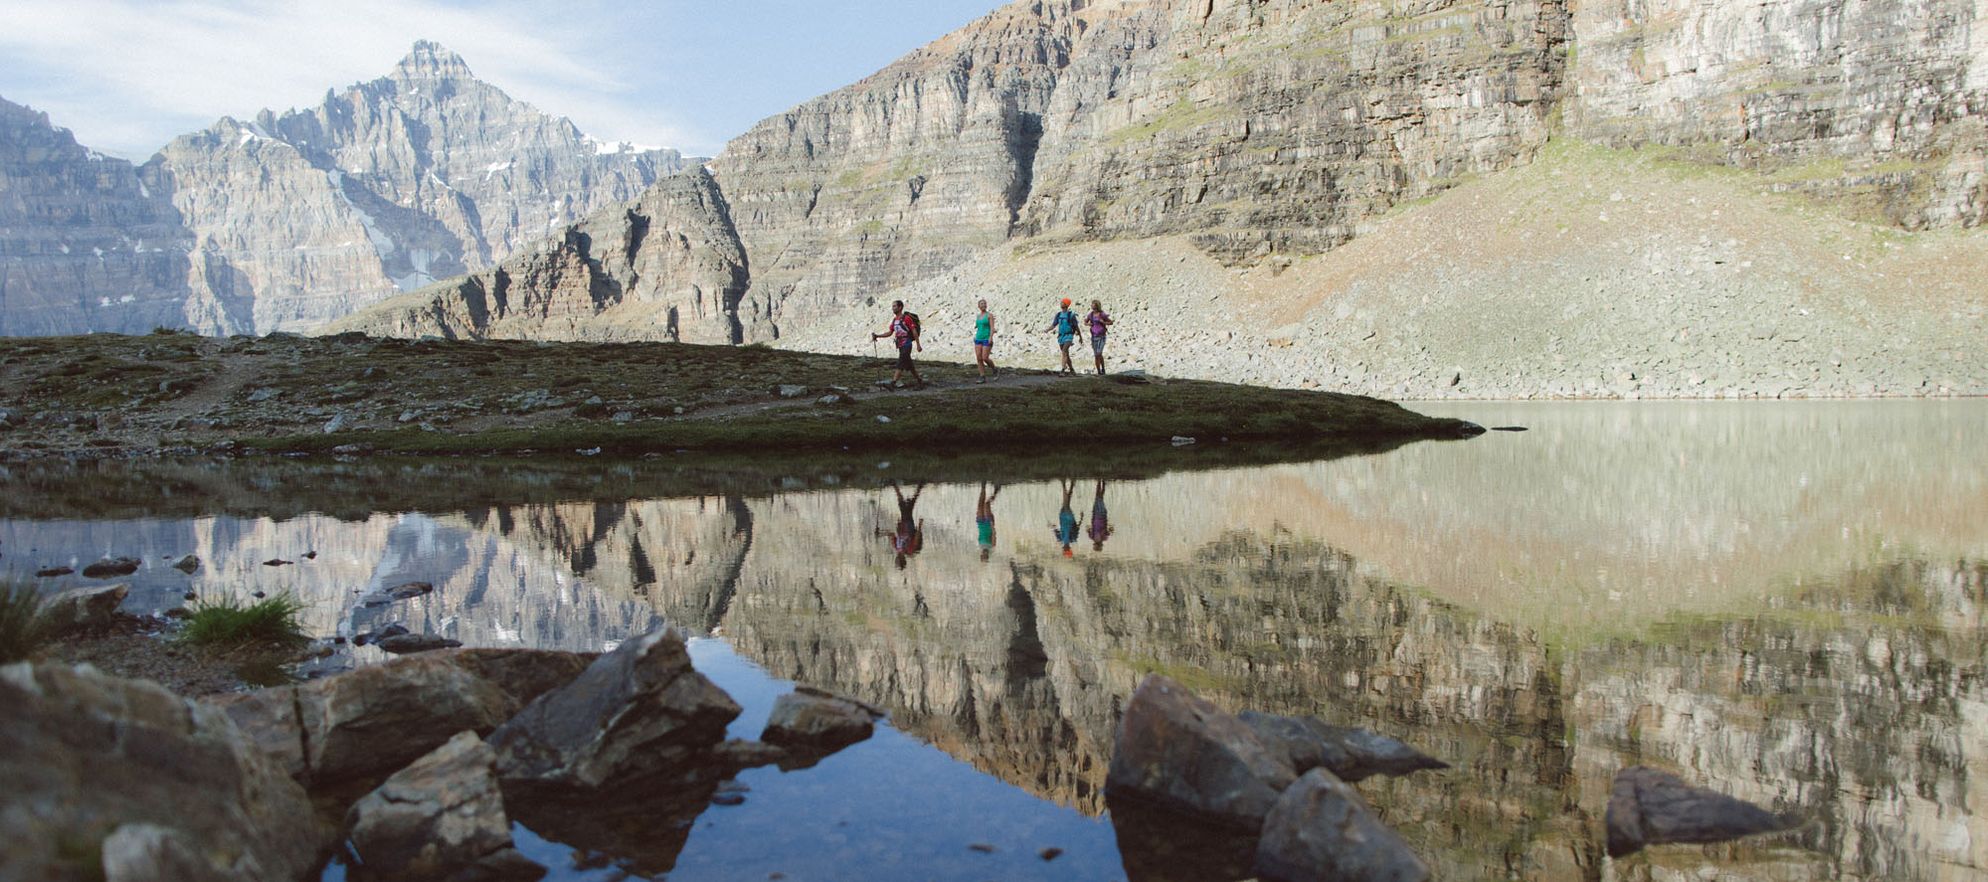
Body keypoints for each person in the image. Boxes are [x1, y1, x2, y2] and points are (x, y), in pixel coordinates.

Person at [870, 300, 924, 388]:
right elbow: (890, 333)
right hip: (900, 345)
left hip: (907, 344)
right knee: (909, 365)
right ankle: (919, 380)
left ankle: (893, 383)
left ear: (900, 307)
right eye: (893, 306)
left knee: (901, 362)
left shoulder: (906, 318)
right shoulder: (895, 320)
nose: (893, 308)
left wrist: (918, 345)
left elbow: (914, 332)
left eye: (895, 306)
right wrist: (878, 336)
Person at [875, 482, 925, 570]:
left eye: (896, 562)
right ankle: (895, 485)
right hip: (908, 524)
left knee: (907, 505)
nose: (896, 560)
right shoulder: (909, 550)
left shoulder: (897, 547)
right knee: (904, 505)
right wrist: (920, 525)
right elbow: (916, 537)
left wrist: (880, 534)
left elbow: (891, 534)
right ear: (901, 560)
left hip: (903, 523)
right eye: (897, 561)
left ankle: (918, 486)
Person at [1046, 298, 1080, 375]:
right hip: (1061, 337)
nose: (1061, 303)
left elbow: (1076, 326)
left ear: (1066, 305)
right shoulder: (1058, 315)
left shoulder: (1071, 315)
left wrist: (1080, 336)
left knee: (1064, 351)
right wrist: (1047, 330)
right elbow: (1054, 324)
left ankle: (1062, 370)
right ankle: (1072, 369)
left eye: (1063, 302)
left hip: (1069, 336)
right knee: (1066, 354)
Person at [1051, 478, 1079, 557]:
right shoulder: (1072, 539)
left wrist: (1052, 527)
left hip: (1064, 518)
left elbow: (1056, 531)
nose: (1065, 548)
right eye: (1066, 549)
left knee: (1067, 502)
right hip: (1068, 519)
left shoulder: (1063, 539)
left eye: (1065, 550)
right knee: (1066, 503)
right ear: (1069, 549)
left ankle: (1072, 485)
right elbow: (1077, 528)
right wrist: (1080, 518)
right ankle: (1063, 484)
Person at [1086, 299, 1114, 376]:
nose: (1093, 308)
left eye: (1094, 307)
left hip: (1102, 336)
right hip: (1094, 337)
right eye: (1092, 307)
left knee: (1099, 353)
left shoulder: (1102, 314)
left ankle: (1103, 368)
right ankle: (1099, 371)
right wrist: (1088, 324)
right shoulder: (1090, 314)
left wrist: (1103, 322)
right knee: (1096, 355)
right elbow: (1085, 322)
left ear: (1097, 307)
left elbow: (1111, 322)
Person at [972, 300, 998, 383]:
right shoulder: (978, 316)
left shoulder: (989, 315)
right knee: (979, 358)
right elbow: (977, 326)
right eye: (981, 304)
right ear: (978, 306)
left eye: (984, 304)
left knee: (985, 358)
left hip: (986, 338)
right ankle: (982, 376)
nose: (983, 305)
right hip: (978, 338)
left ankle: (994, 369)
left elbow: (992, 328)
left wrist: (991, 337)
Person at [976, 482, 1001, 562]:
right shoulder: (992, 547)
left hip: (980, 523)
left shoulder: (980, 547)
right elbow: (994, 534)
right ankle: (996, 491)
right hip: (988, 523)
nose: (984, 554)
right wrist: (992, 524)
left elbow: (980, 534)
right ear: (987, 556)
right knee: (987, 504)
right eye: (985, 556)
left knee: (980, 504)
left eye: (982, 556)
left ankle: (983, 486)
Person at [1087, 479, 1113, 552]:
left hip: (1097, 516)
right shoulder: (1103, 537)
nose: (1094, 545)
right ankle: (1101, 482)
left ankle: (1101, 482)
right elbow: (1110, 530)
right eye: (1095, 546)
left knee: (1098, 498)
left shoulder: (1094, 537)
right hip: (1101, 517)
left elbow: (1110, 530)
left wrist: (1110, 529)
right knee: (1099, 498)